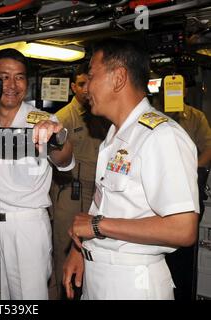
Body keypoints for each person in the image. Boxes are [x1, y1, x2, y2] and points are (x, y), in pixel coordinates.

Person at [62, 38, 199, 300]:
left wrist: (98, 226)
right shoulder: (115, 136)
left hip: (132, 282)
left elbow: (183, 228)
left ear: (118, 78)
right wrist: (80, 250)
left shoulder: (160, 136)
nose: (86, 86)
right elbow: (107, 204)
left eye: (91, 75)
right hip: (99, 273)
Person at [0, 48, 74, 300]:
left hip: (26, 224)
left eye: (19, 77)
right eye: (4, 77)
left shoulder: (41, 120)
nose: (12, 85)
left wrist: (57, 137)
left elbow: (65, 158)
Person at [50, 63, 110, 299]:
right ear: (73, 87)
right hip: (71, 193)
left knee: (96, 252)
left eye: (90, 82)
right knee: (65, 251)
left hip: (100, 194)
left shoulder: (103, 115)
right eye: (82, 84)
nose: (87, 89)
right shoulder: (62, 118)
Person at [158, 74, 211, 300]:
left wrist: (189, 173)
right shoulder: (151, 116)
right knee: (158, 248)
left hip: (186, 195)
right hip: (156, 194)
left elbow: (209, 149)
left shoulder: (195, 118)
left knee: (183, 255)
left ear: (185, 92)